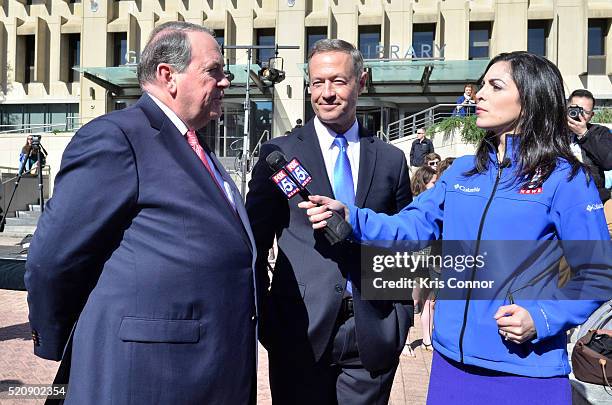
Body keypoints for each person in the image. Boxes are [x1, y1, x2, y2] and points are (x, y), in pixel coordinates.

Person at [301, 51, 610, 404]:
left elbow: (597, 274)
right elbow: (411, 226)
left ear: (531, 99)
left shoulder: (566, 179)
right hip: (451, 367)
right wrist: (351, 215)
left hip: (524, 370)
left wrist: (541, 317)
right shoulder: (462, 172)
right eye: (482, 85)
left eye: (495, 86)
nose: (479, 94)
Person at [25, 22, 258, 404]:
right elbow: (52, 259)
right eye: (214, 70)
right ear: (169, 76)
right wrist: (77, 340)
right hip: (149, 377)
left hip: (209, 373)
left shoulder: (196, 146)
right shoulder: (117, 138)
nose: (226, 81)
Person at [246, 39, 413, 405]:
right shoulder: (280, 154)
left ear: (361, 82)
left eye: (338, 81)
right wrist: (267, 319)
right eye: (317, 82)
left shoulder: (391, 160)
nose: (326, 93)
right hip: (298, 331)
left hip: (372, 331)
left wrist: (400, 316)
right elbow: (254, 243)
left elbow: (408, 243)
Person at [566, 89, 612, 203]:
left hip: (593, 197)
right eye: (575, 109)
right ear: (566, 109)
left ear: (591, 115)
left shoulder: (600, 132)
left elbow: (608, 162)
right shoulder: (554, 133)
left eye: (585, 112)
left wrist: (584, 134)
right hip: (564, 197)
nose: (579, 115)